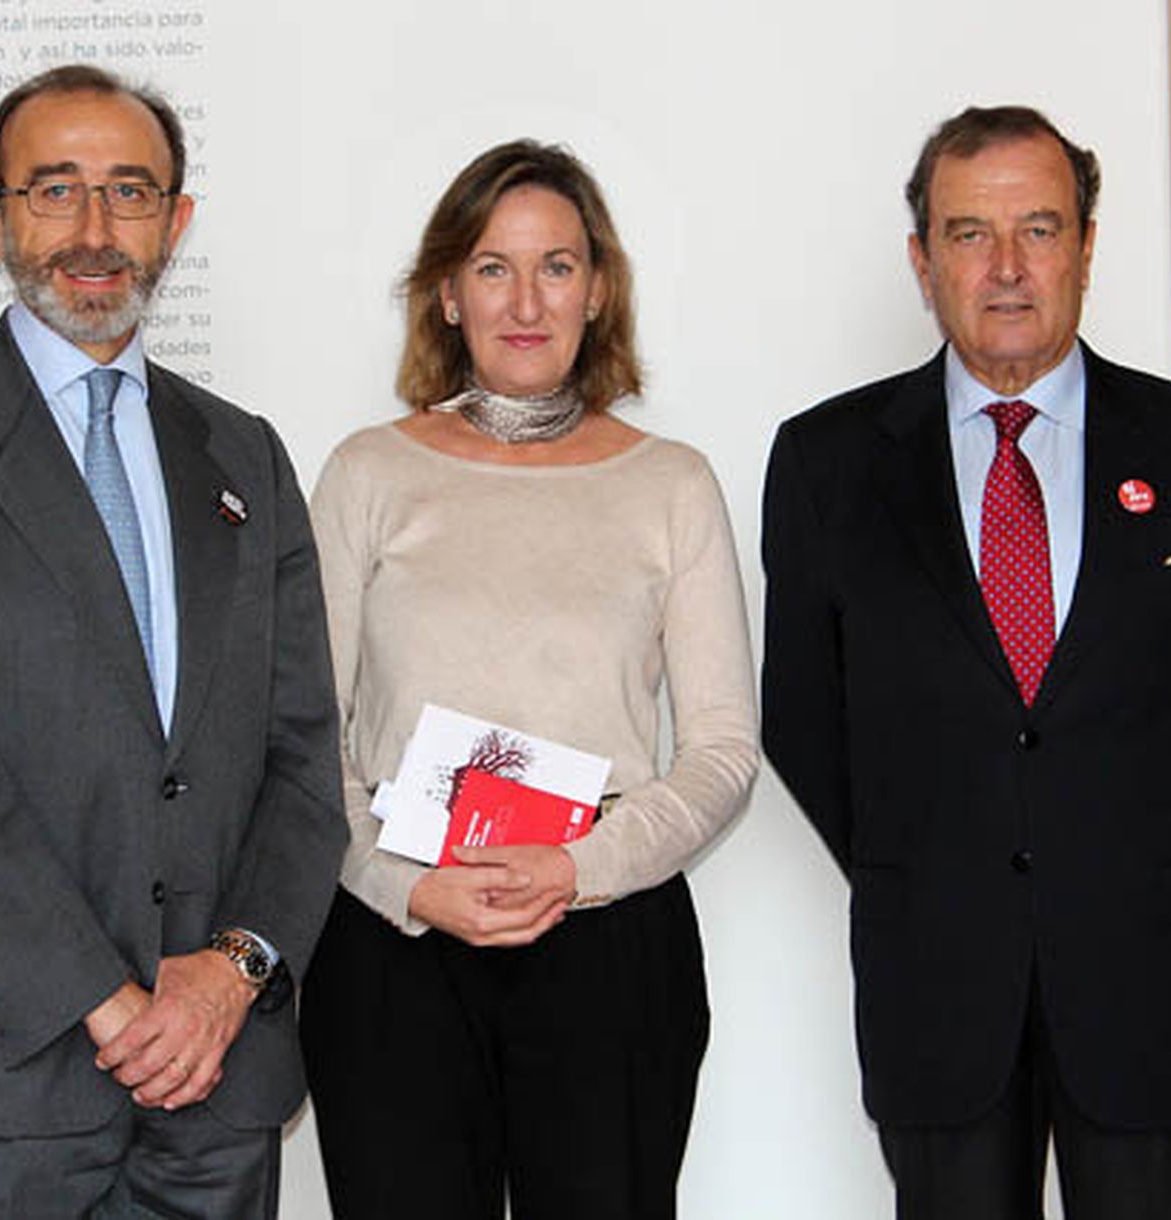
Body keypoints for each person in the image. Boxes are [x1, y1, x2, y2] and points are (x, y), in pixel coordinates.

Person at [0, 64, 346, 1218]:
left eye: (131, 191)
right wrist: (110, 1000)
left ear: (178, 221)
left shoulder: (244, 455)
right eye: (54, 191)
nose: (94, 231)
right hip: (4, 1078)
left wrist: (231, 973)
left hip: (219, 1075)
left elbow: (304, 758)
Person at [761, 105, 1171, 1220]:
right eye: (968, 234)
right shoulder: (828, 463)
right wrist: (942, 854)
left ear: (1088, 248)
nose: (1005, 268)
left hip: (1152, 979)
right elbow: (805, 720)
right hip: (937, 985)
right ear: (921, 260)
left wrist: (1107, 836)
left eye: (1040, 229)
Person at [299, 139, 758, 1220]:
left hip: (605, 935)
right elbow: (300, 733)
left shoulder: (671, 485)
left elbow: (723, 750)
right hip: (397, 938)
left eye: (556, 266)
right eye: (492, 267)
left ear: (597, 291)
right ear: (447, 293)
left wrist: (579, 862)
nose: (525, 300)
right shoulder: (367, 472)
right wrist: (396, 880)